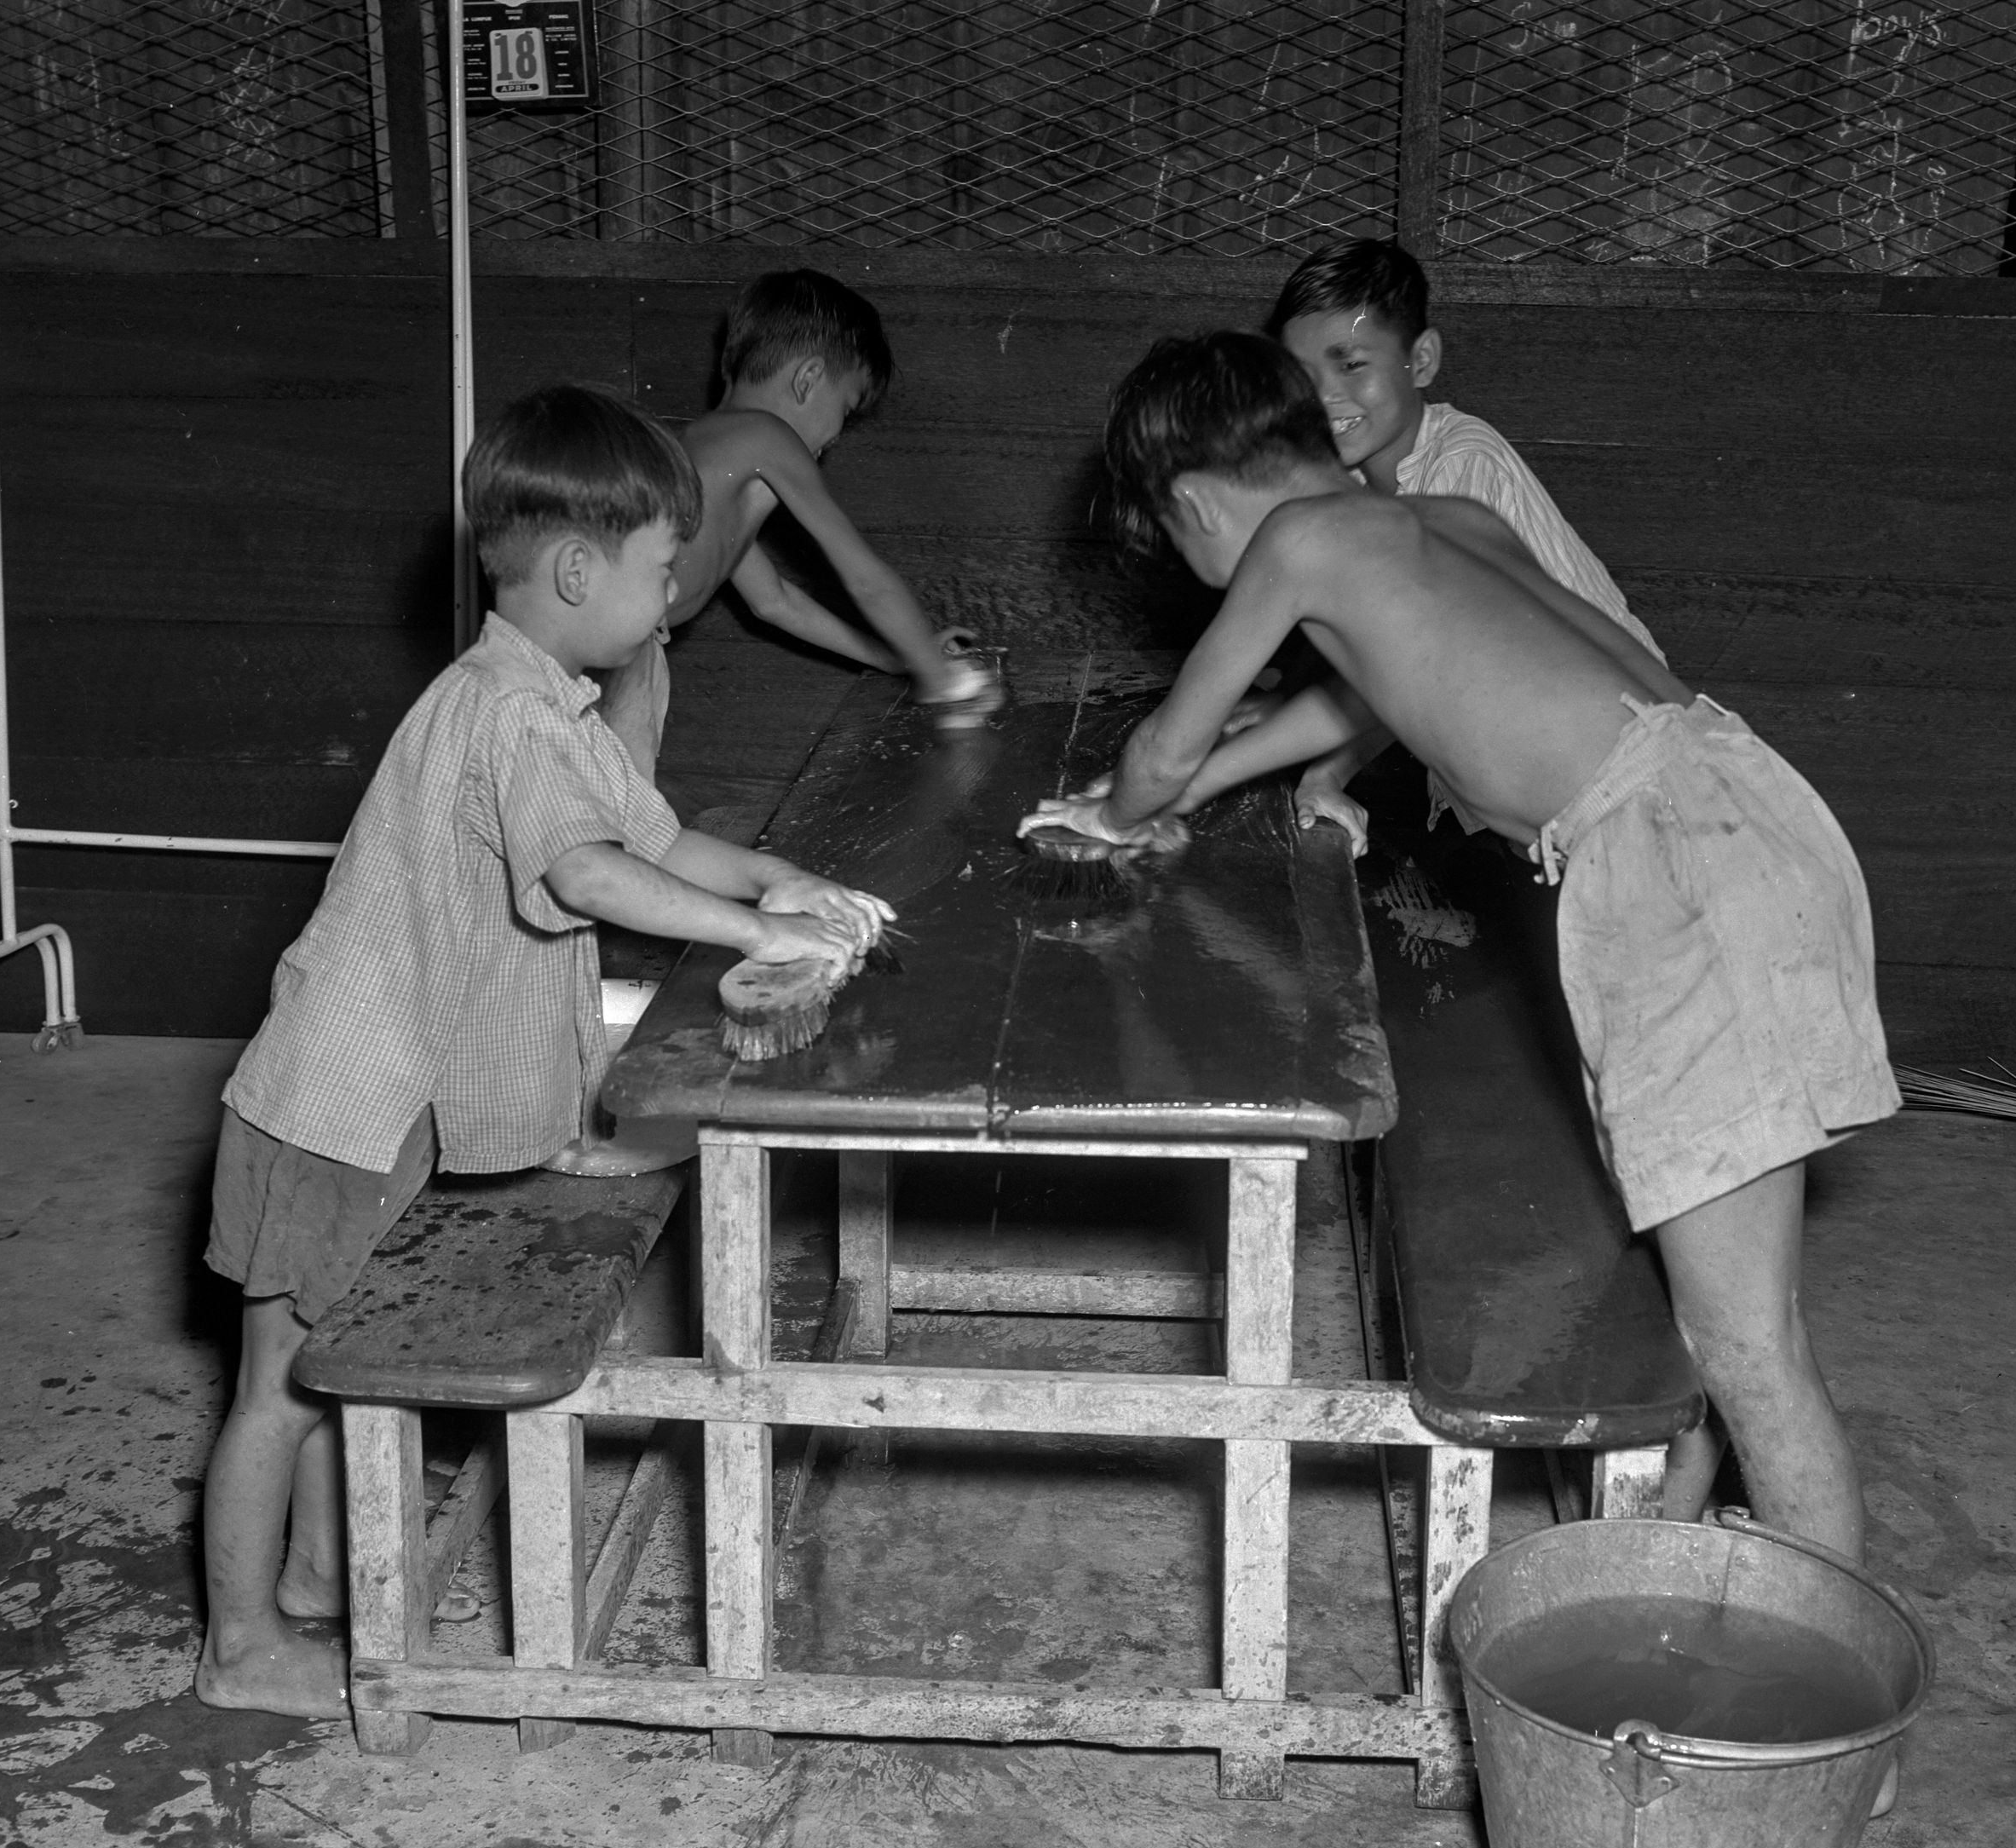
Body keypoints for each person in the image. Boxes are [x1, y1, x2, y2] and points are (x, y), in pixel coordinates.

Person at [1020, 333, 1895, 1558]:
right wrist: (1227, 787)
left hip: (1669, 867)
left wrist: (1118, 812)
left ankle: (1822, 1644)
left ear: (1194, 503)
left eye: (1175, 538)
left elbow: (1162, 747)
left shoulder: (1293, 543)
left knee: (1749, 1343)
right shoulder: (1439, 522)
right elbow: (1368, 693)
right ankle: (1672, 1538)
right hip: (1742, 809)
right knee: (1701, 1271)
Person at [194, 384, 891, 1719]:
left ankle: (322, 1582)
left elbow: (653, 836)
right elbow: (589, 874)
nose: (675, 596)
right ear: (579, 570)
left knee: (332, 1358)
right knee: (280, 1384)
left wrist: (781, 878)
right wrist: (752, 926)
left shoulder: (550, 704)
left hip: (387, 1103)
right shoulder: (506, 715)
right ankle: (238, 1646)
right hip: (327, 1107)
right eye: (663, 569)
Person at [1261, 237, 1663, 855]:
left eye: (1352, 365)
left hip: (1624, 772)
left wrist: (1324, 773)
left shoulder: (1462, 463)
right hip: (1557, 789)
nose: (1324, 397)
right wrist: (1287, 714)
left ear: (1421, 361)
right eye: (1302, 375)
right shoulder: (1357, 490)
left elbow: (1411, 664)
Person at [596, 269, 999, 778]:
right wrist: (934, 671)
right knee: (611, 812)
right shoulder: (766, 436)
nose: (837, 436)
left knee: (604, 807)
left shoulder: (709, 456)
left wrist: (894, 657)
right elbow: (865, 578)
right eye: (846, 409)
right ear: (807, 380)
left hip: (612, 642)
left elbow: (774, 602)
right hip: (613, 642)